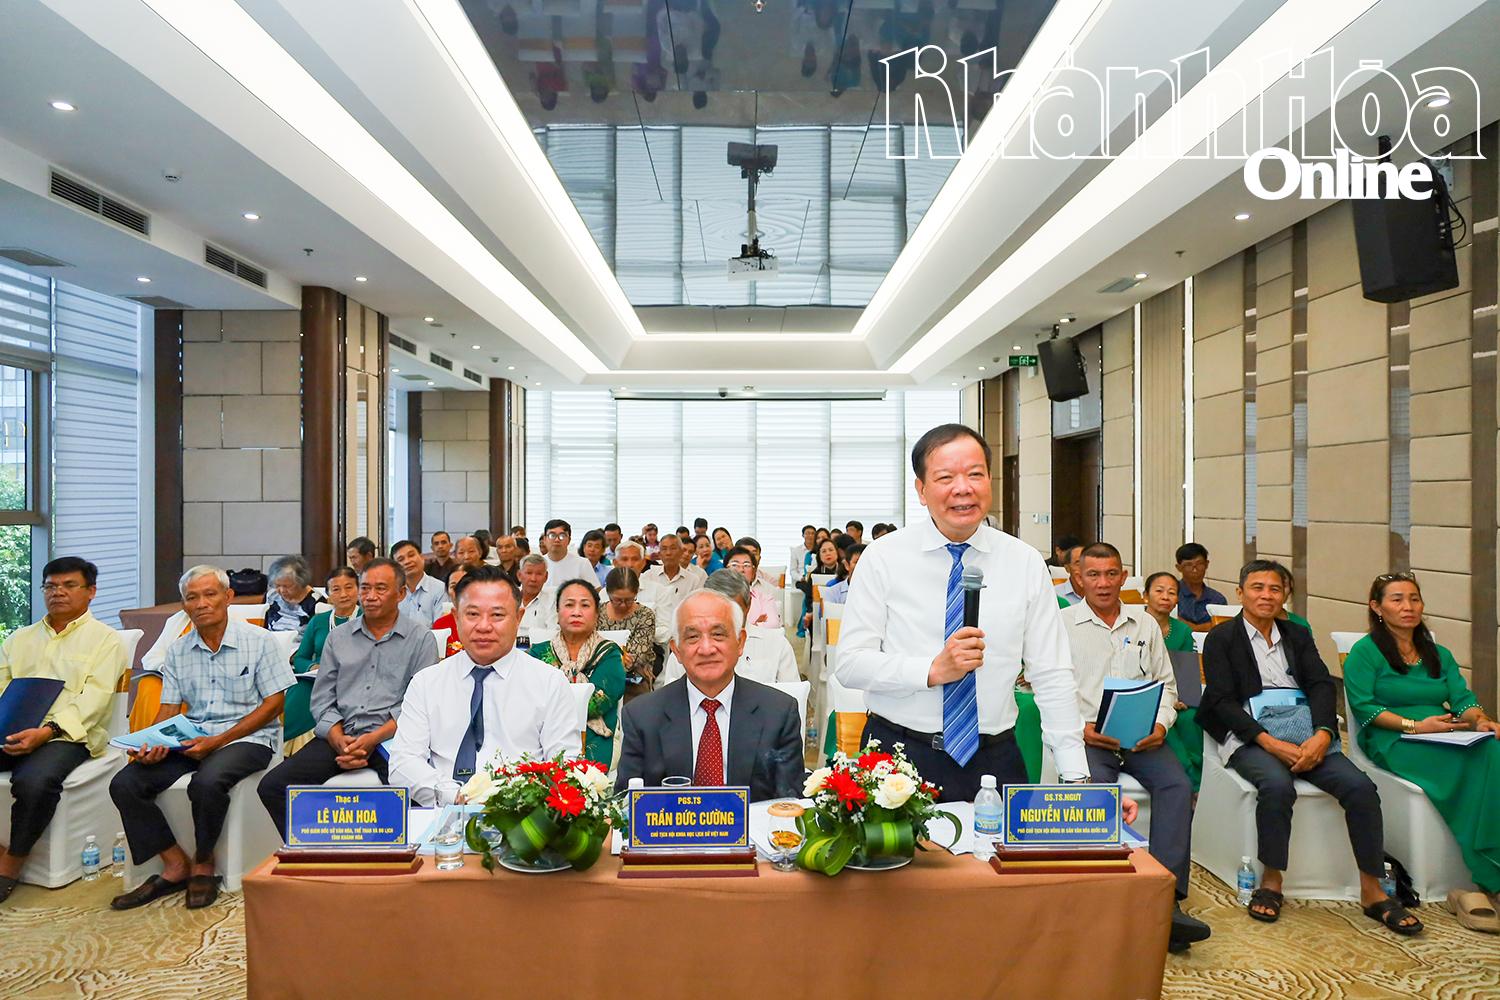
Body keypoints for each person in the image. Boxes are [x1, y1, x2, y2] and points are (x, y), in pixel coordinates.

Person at [837, 423, 1089, 803]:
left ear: (990, 480)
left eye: (975, 474)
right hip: (898, 758)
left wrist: (1075, 777)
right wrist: (931, 670)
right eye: (945, 477)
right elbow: (851, 664)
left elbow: (1052, 673)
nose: (963, 488)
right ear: (921, 490)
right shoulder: (883, 557)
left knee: (1001, 863)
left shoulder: (1023, 562)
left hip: (995, 757)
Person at [1199, 559, 1420, 934]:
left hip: (1305, 732)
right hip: (1252, 735)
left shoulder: (1297, 635)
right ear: (1240, 593)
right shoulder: (1221, 639)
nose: (1266, 595)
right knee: (1276, 785)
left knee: (1361, 788)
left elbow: (1320, 685)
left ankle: (1373, 892)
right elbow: (1220, 701)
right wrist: (1268, 742)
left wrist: (1322, 734)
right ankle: (1271, 882)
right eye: (1257, 588)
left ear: (1285, 594)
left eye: (1274, 588)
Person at [109, 566, 294, 911]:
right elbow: (168, 707)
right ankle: (175, 863)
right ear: (184, 605)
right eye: (192, 597)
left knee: (207, 783)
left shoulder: (259, 642)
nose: (201, 603)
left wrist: (219, 740)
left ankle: (204, 863)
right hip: (193, 737)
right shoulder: (178, 651)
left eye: (210, 594)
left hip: (249, 738)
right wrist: (154, 741)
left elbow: (274, 705)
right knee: (125, 783)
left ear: (228, 597)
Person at [1063, 544, 1209, 952]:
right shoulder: (1061, 624)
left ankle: (1167, 901)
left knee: (1177, 787)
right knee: (1094, 791)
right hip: (1090, 738)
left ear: (1124, 575)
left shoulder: (1145, 624)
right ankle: (1102, 895)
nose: (1104, 583)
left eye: (1111, 574)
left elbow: (1169, 685)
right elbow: (1046, 689)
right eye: (1093, 575)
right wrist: (1082, 728)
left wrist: (1161, 725)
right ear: (1079, 578)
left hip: (1143, 737)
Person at [1343, 572, 1500, 908]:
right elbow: (1364, 708)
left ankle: (1492, 857)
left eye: (1414, 598)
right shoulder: (1365, 652)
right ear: (1377, 607)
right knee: (1472, 766)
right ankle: (1491, 874)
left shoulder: (1437, 653)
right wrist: (1416, 725)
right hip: (1394, 739)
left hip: (1445, 733)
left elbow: (1462, 699)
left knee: (1492, 749)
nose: (1408, 606)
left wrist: (1482, 720)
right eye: (1397, 599)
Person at [257, 558, 439, 838]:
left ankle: (402, 863)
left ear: (401, 594)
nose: (370, 596)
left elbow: (419, 707)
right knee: (273, 786)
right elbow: (322, 698)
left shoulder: (420, 639)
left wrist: (372, 740)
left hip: (394, 739)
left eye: (381, 588)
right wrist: (338, 739)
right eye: (365, 588)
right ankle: (314, 852)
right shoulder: (338, 638)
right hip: (342, 734)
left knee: (421, 795)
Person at [387, 567, 577, 805]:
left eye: (497, 615)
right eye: (472, 614)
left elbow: (565, 763)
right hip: (444, 814)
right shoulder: (426, 683)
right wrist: (455, 796)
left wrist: (511, 801)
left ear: (519, 618)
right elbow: (403, 764)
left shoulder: (549, 682)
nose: (484, 626)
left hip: (523, 817)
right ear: (456, 617)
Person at [0, 557, 127, 904]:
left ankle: (12, 863)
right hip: (13, 729)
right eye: (51, 586)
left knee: (34, 781)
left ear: (91, 592)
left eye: (69, 586)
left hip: (70, 735)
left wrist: (46, 731)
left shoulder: (106, 640)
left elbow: (96, 701)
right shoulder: (19, 639)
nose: (58, 593)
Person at [615, 591, 804, 800]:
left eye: (718, 634)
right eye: (693, 637)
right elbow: (626, 807)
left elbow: (790, 806)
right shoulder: (642, 716)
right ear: (676, 650)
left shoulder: (778, 713)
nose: (706, 649)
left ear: (740, 642)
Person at [528, 580, 626, 768]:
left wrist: (551, 705)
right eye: (569, 604)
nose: (576, 612)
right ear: (557, 613)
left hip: (595, 736)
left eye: (585, 605)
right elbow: (529, 701)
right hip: (541, 735)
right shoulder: (538, 654)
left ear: (597, 614)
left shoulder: (609, 653)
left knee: (583, 775)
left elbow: (596, 705)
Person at [658, 571, 800, 685]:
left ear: (749, 605)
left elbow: (792, 700)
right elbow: (672, 704)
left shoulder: (776, 644)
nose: (726, 619)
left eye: (735, 610)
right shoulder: (687, 649)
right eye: (716, 611)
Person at [287, 567, 362, 744]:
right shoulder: (318, 621)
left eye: (349, 587)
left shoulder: (368, 618)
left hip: (355, 677)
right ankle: (285, 745)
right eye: (336, 589)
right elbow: (300, 658)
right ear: (328, 595)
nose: (343, 594)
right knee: (298, 689)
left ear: (359, 590)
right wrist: (312, 667)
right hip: (318, 677)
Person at [602, 567, 658, 702]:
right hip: (598, 676)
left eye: (629, 600)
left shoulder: (645, 615)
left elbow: (638, 655)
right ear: (608, 594)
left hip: (633, 680)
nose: (623, 605)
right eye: (617, 600)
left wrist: (603, 657)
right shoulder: (596, 613)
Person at [641, 534, 705, 630]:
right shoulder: (648, 576)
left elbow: (698, 610)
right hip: (653, 631)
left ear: (681, 552)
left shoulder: (693, 580)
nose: (668, 553)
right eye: (664, 549)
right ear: (659, 553)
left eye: (673, 548)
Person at [391, 539, 445, 625]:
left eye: (411, 555)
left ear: (422, 557)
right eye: (401, 559)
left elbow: (441, 628)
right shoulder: (393, 592)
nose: (407, 561)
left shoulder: (440, 589)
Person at [1176, 543, 1227, 633]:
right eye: (1188, 565)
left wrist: (1191, 627)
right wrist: (1206, 627)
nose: (1195, 569)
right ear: (1179, 568)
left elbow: (1221, 627)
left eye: (1199, 564)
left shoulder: (1218, 599)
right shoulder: (1172, 593)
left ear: (1206, 564)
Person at [725, 546, 781, 628]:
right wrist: (755, 625)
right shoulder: (716, 597)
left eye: (746, 565)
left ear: (754, 572)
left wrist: (745, 628)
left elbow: (773, 624)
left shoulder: (765, 598)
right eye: (735, 564)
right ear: (725, 570)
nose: (741, 569)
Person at [264, 555, 318, 635]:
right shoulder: (272, 596)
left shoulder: (316, 602)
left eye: (287, 586)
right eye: (277, 585)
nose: (282, 591)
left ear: (301, 582)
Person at [797, 538, 841, 634]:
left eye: (831, 550)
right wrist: (811, 612)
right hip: (818, 613)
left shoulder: (845, 571)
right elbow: (809, 598)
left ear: (837, 552)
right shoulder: (815, 574)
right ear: (819, 556)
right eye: (824, 551)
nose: (828, 553)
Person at [1143, 572, 1196, 652]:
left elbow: (1185, 663)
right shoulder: (1132, 625)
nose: (1165, 597)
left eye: (1171, 593)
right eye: (1159, 591)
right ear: (1146, 596)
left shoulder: (1184, 631)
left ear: (1177, 600)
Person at [540, 519, 597, 588]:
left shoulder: (582, 563)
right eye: (552, 535)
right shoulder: (537, 564)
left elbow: (595, 591)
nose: (557, 540)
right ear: (545, 539)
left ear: (569, 540)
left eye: (562, 536)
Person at [430, 566, 469, 657]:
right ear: (447, 591)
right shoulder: (441, 624)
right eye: (453, 586)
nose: (458, 590)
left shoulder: (486, 621)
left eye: (464, 584)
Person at [516, 554, 557, 637]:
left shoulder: (552, 602)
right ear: (519, 575)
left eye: (539, 574)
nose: (533, 579)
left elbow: (553, 634)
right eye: (529, 573)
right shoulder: (507, 598)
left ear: (546, 577)